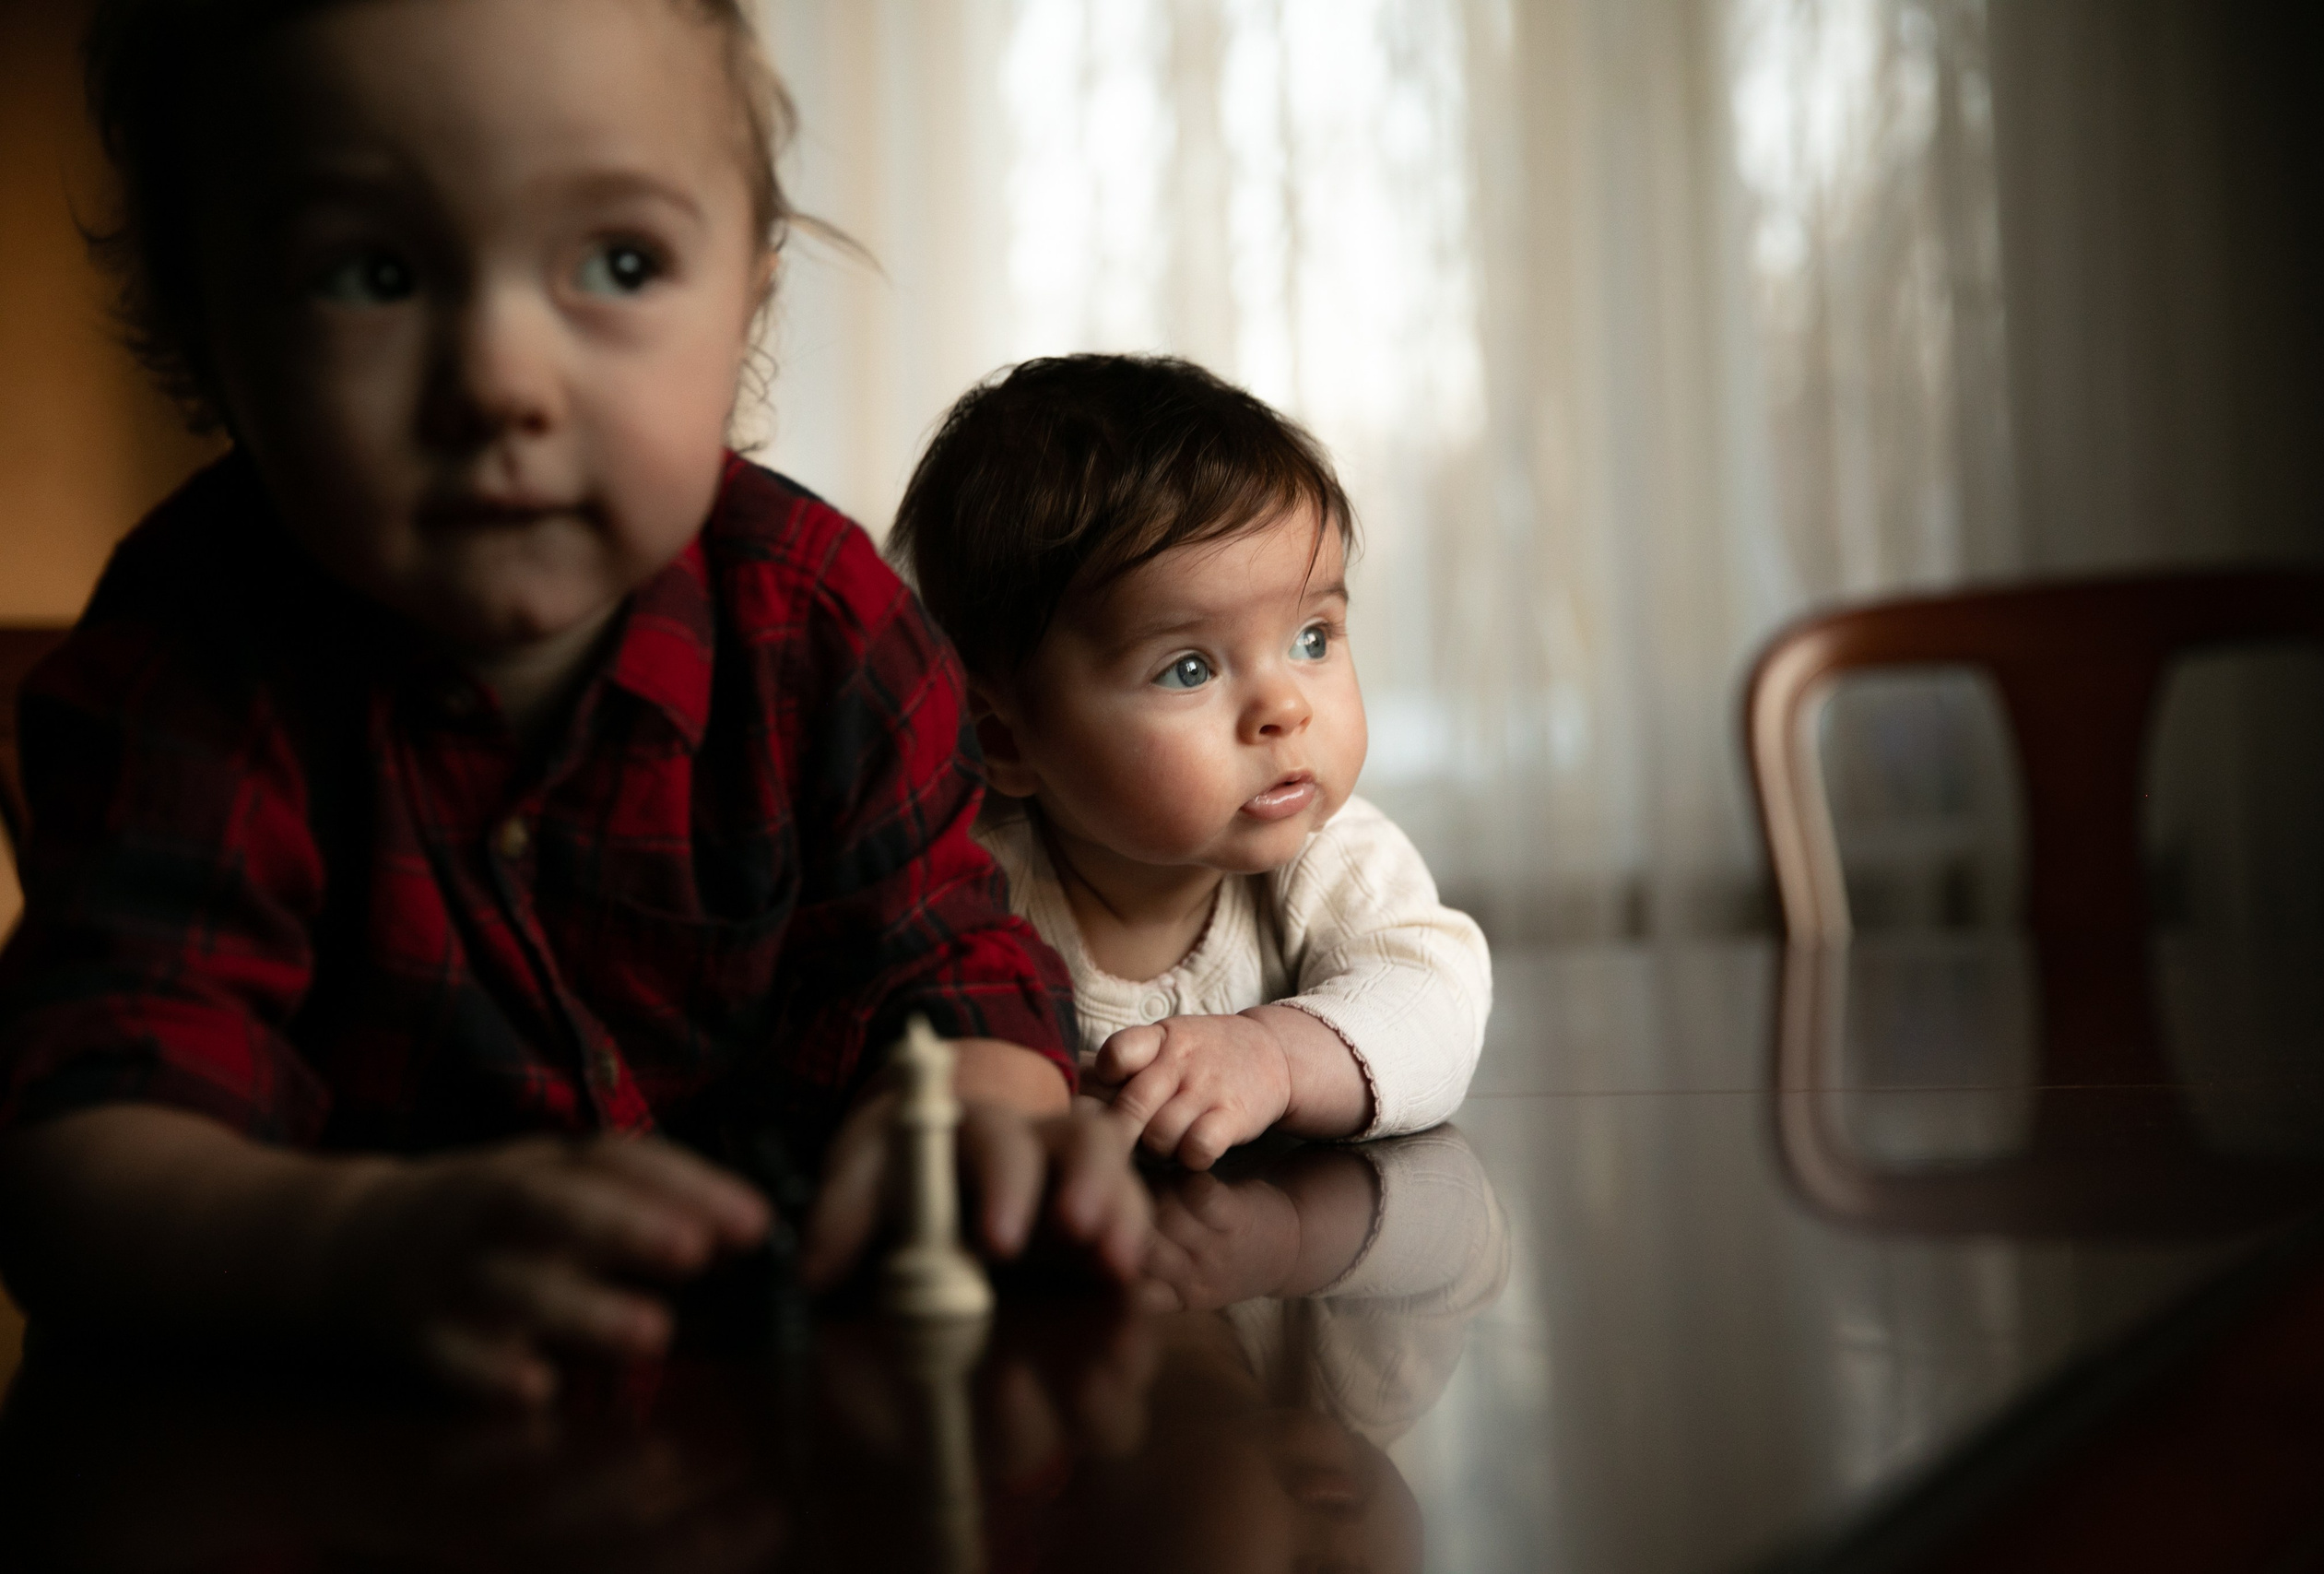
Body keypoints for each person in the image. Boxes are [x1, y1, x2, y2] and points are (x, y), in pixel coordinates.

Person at [0, 0, 1150, 1405]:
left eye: (618, 259)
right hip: (362, 1446)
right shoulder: (193, 656)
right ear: (206, 319)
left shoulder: (821, 621)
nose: (498, 381)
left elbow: (944, 966)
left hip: (789, 1419)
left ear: (749, 299)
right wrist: (356, 1245)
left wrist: (983, 1122)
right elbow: (82, 1149)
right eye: (369, 273)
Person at [890, 355, 1490, 1168]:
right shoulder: (971, 887)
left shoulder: (1333, 852)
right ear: (1004, 738)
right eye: (1190, 668)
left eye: (1312, 639)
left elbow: (1435, 1001)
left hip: (1284, 1259)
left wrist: (1276, 1056)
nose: (1287, 708)